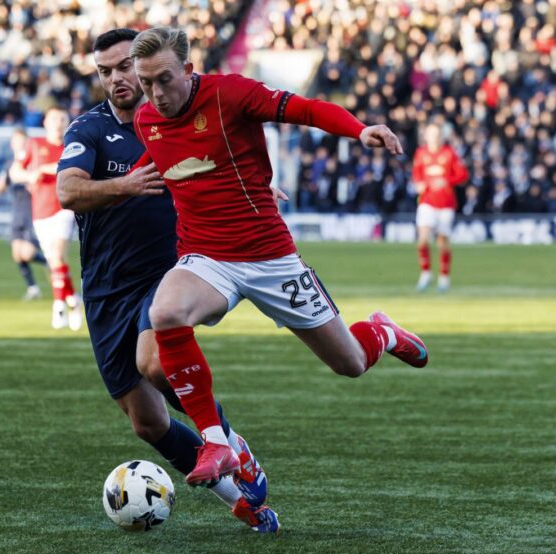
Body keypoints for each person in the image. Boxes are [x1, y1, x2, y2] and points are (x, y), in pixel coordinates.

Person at [129, 27, 429, 487]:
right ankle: (216, 442)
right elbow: (168, 169)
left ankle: (381, 333)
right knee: (165, 310)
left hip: (271, 258)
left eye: (164, 79)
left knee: (348, 363)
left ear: (189, 71)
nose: (155, 93)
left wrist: (358, 128)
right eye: (146, 82)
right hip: (207, 257)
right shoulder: (145, 119)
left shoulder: (230, 92)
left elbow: (304, 109)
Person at [56, 28, 279, 533]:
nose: (116, 79)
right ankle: (240, 501)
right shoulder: (89, 131)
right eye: (105, 72)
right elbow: (68, 191)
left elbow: (223, 160)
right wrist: (124, 185)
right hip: (106, 290)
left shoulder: (174, 119)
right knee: (147, 422)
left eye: (123, 68)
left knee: (157, 363)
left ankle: (229, 444)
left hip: (169, 272)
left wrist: (260, 186)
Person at [10, 107, 82, 330]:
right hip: (39, 211)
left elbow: (72, 171)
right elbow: (15, 171)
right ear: (45, 123)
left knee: (58, 254)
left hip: (63, 207)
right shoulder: (34, 144)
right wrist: (30, 174)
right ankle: (73, 299)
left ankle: (59, 305)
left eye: (62, 119)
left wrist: (45, 169)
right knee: (53, 261)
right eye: (54, 119)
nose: (58, 123)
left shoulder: (73, 145)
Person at [411, 123, 469, 292]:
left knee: (442, 242)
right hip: (426, 201)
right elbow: (417, 173)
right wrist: (418, 183)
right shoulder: (420, 153)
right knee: (422, 239)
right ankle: (426, 273)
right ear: (426, 136)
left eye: (437, 135)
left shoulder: (449, 153)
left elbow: (463, 174)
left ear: (441, 137)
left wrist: (447, 181)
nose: (434, 138)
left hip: (445, 203)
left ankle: (444, 277)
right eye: (431, 134)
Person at [0, 128, 47, 300]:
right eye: (15, 142)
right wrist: (1, 183)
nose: (18, 145)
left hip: (32, 212)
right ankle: (33, 288)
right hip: (17, 212)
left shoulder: (34, 162)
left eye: (21, 141)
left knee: (28, 253)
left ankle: (50, 262)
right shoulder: (11, 165)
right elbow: (0, 188)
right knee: (17, 253)